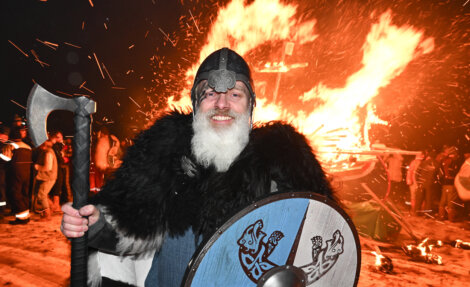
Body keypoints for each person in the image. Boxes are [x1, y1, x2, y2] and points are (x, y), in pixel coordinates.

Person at [60, 48, 334, 287]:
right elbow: (129, 229)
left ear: (250, 107)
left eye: (235, 94)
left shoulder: (281, 165)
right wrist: (93, 223)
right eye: (210, 94)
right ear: (195, 104)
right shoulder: (166, 156)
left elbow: (315, 249)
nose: (222, 104)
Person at [6, 126, 33, 224]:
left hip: (15, 173)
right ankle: (26, 215)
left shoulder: (11, 145)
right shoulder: (28, 147)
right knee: (24, 193)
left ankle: (21, 217)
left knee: (15, 193)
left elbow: (6, 158)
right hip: (27, 173)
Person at [32, 140, 58, 220]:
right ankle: (52, 207)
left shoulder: (48, 153)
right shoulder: (46, 151)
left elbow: (48, 167)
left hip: (48, 177)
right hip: (47, 177)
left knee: (42, 195)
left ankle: (47, 214)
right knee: (42, 194)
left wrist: (36, 167)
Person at [0, 124, 12, 219]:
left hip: (2, 172)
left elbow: (7, 159)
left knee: (1, 192)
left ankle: (2, 211)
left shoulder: (7, 146)